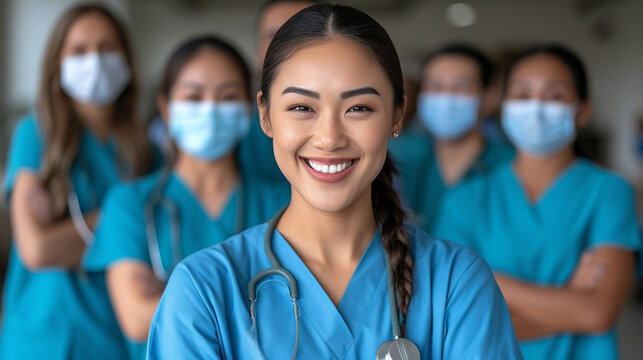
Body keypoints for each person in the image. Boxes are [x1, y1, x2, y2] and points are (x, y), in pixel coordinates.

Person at [147, 4, 522, 359]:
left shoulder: (456, 283)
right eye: (301, 108)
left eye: (358, 108)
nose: (329, 137)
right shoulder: (203, 290)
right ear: (265, 116)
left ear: (397, 116)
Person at [84, 35, 290, 360]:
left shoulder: (284, 203)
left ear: (253, 106)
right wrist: (253, 302)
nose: (210, 109)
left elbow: (304, 311)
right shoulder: (130, 203)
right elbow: (137, 318)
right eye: (193, 97)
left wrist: (174, 298)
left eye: (228, 96)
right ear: (166, 108)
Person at [433, 44, 641, 360]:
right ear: (504, 107)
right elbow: (453, 319)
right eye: (522, 95)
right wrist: (571, 300)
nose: (537, 107)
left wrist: (487, 278)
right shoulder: (465, 199)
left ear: (582, 110)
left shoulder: (610, 192)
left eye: (554, 96)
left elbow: (598, 314)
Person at [1, 4, 155, 359]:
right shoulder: (36, 135)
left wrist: (68, 233)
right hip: (45, 337)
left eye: (107, 48)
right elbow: (37, 250)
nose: (95, 61)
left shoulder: (145, 150)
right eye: (79, 50)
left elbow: (155, 243)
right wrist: (122, 219)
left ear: (128, 61)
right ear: (57, 63)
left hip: (116, 336)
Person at [389, 44, 514, 232]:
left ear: (488, 99)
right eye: (435, 86)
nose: (446, 97)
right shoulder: (403, 160)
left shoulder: (511, 166)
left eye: (461, 87)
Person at [237, 0, 319, 184]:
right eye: (274, 36)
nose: (286, 48)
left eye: (303, 34)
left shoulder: (359, 124)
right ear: (258, 50)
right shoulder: (231, 126)